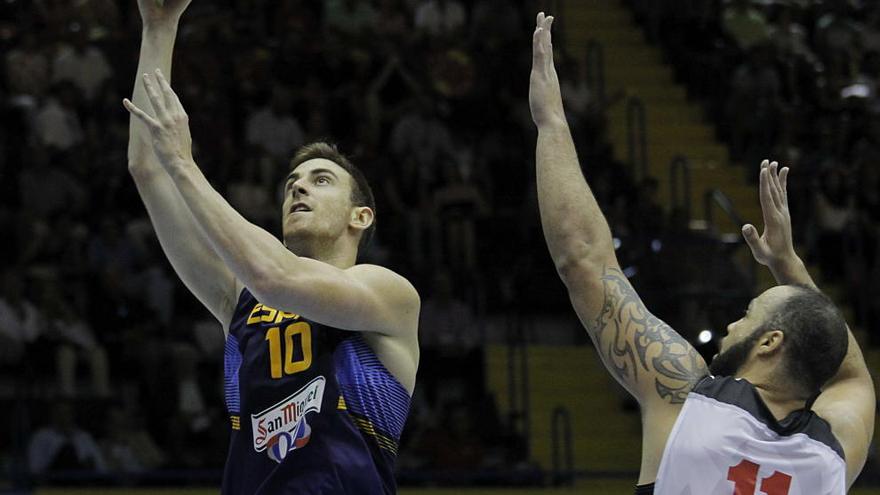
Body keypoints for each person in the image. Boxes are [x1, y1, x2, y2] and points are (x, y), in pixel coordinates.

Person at [529, 12, 874, 494]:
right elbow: (853, 376)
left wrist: (550, 123)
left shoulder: (687, 397)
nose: (734, 323)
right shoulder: (834, 454)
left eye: (749, 315)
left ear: (770, 342)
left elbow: (582, 258)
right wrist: (789, 268)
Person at [122, 1, 420, 493]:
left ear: (360, 217)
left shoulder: (387, 295)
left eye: (320, 180)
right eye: (291, 183)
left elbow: (276, 279)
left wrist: (186, 164)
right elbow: (147, 168)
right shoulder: (239, 301)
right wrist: (159, 27)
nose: (298, 188)